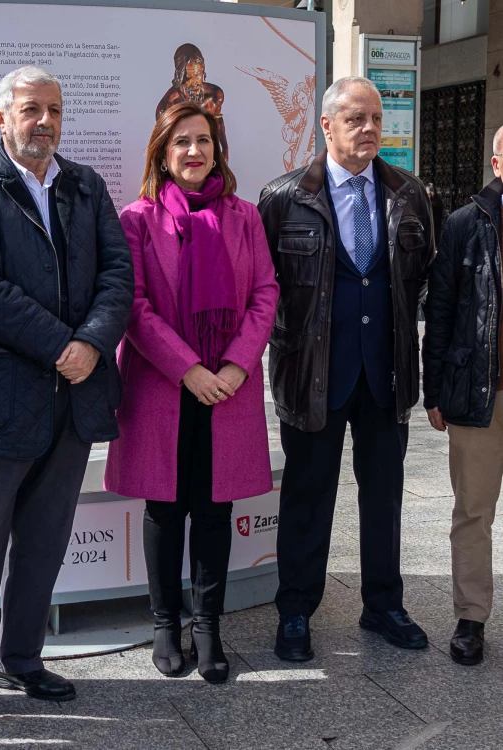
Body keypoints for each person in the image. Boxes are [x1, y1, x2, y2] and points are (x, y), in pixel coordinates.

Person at [0, 66, 133, 729]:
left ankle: (20, 657)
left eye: (53, 109)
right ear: (1, 118)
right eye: (29, 109)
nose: (43, 120)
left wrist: (94, 342)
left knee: (45, 541)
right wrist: (62, 347)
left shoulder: (85, 185)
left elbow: (118, 273)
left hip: (72, 399)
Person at [258, 77, 435, 662]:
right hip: (313, 375)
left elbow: (420, 284)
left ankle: (383, 603)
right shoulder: (284, 197)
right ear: (326, 126)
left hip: (384, 375)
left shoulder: (409, 194)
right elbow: (263, 290)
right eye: (356, 119)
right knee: (308, 497)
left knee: (384, 495)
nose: (369, 130)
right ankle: (296, 611)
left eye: (376, 120)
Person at [105, 102, 278, 683]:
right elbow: (132, 305)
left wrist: (232, 366)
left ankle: (207, 624)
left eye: (203, 141)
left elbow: (265, 295)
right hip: (164, 386)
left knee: (213, 508)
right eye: (182, 141)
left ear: (217, 149)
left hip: (228, 390)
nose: (194, 152)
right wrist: (187, 368)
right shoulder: (137, 219)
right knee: (164, 506)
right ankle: (163, 621)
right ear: (162, 150)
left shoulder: (244, 217)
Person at [423, 125, 503, 666]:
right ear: (498, 162)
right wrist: (434, 391)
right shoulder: (464, 224)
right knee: (473, 510)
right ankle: (471, 617)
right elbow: (442, 311)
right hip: (482, 391)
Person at [156, 44, 228, 161]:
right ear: (180, 77)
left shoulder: (214, 96)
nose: (195, 82)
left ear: (203, 71)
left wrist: (225, 149)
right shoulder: (167, 106)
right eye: (189, 78)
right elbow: (164, 147)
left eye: (198, 75)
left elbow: (218, 122)